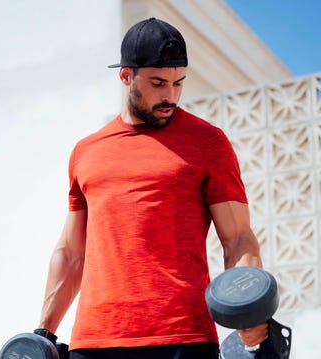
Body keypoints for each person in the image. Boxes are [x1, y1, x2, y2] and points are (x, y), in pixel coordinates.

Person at [35, 17, 267, 359]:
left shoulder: (208, 143)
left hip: (181, 337)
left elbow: (238, 238)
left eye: (178, 83)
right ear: (126, 76)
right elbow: (71, 252)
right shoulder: (87, 151)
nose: (170, 95)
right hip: (94, 341)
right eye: (158, 83)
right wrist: (42, 332)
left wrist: (250, 309)